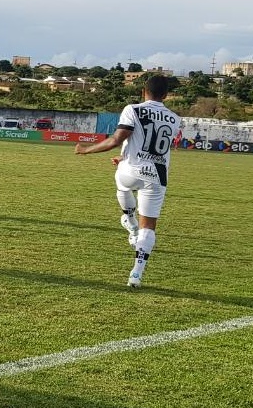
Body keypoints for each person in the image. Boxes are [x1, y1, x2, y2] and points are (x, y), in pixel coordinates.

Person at [75, 74, 181, 288]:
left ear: (144, 91)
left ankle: (129, 220)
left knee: (122, 182)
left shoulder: (133, 109)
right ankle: (136, 274)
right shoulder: (175, 118)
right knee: (149, 228)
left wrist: (85, 150)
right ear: (166, 95)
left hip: (131, 170)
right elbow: (153, 147)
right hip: (157, 175)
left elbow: (117, 139)